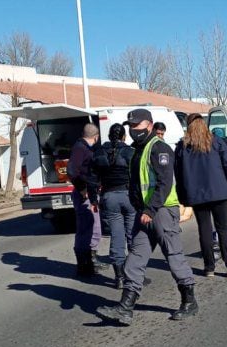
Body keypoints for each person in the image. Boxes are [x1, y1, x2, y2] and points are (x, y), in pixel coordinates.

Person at [96, 109, 198, 325]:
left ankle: (189, 301)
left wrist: (149, 210)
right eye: (131, 126)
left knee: (173, 255)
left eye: (137, 125)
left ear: (149, 125)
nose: (133, 130)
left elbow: (164, 183)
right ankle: (125, 307)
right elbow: (135, 183)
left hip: (161, 211)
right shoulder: (136, 150)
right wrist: (138, 207)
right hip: (144, 212)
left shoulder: (159, 148)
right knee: (136, 257)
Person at [175, 113, 227, 277]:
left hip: (197, 195)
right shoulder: (215, 141)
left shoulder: (182, 147)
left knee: (204, 230)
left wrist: (183, 197)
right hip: (218, 191)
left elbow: (178, 174)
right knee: (223, 229)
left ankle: (209, 267)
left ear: (189, 127)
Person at [92, 123, 136, 289]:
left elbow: (92, 177)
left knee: (116, 237)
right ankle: (133, 274)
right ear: (124, 136)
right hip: (128, 195)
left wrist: (93, 198)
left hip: (109, 196)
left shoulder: (100, 153)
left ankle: (119, 277)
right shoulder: (130, 152)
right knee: (133, 235)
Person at [67, 123, 106, 277]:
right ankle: (84, 265)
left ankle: (91, 261)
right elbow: (72, 171)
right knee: (86, 229)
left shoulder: (83, 148)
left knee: (94, 228)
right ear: (95, 137)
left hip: (89, 193)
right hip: (84, 194)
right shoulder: (80, 148)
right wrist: (82, 188)